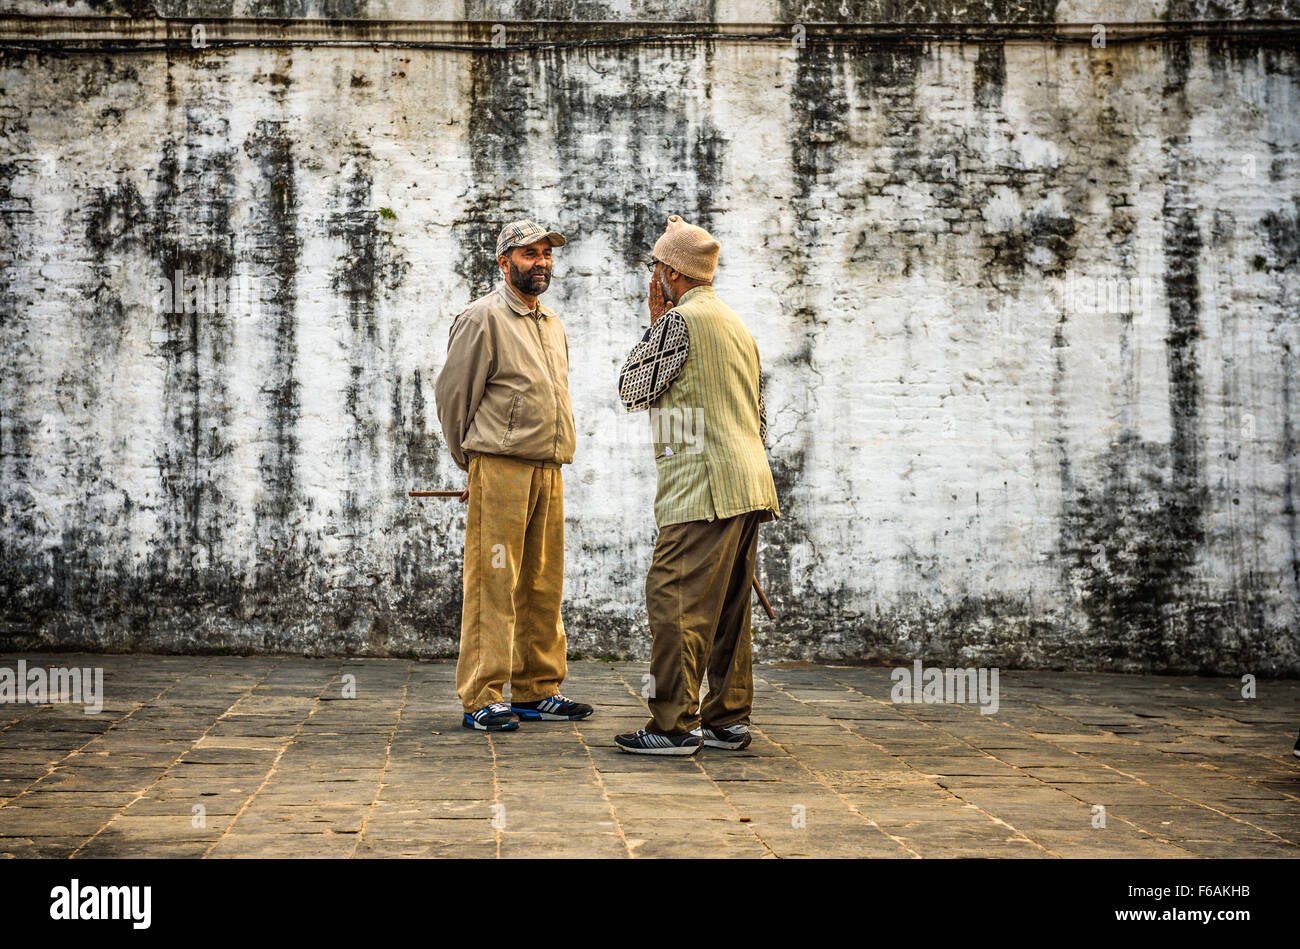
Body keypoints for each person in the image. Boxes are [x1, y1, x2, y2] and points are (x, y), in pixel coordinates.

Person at [613, 214, 780, 755]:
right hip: (749, 483)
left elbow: (632, 388)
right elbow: (755, 410)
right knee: (730, 610)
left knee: (674, 602)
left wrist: (655, 320)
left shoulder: (679, 322)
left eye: (656, 269)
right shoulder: (735, 323)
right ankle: (727, 719)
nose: (652, 278)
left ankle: (671, 726)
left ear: (672, 273)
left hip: (701, 486)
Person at [434, 219, 593, 732]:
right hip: (500, 467)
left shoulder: (551, 321)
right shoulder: (483, 318)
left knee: (542, 582)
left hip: (549, 467)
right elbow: (453, 396)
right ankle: (482, 695)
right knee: (494, 580)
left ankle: (536, 688)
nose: (541, 261)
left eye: (546, 253)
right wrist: (473, 461)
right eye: (529, 254)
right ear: (504, 263)